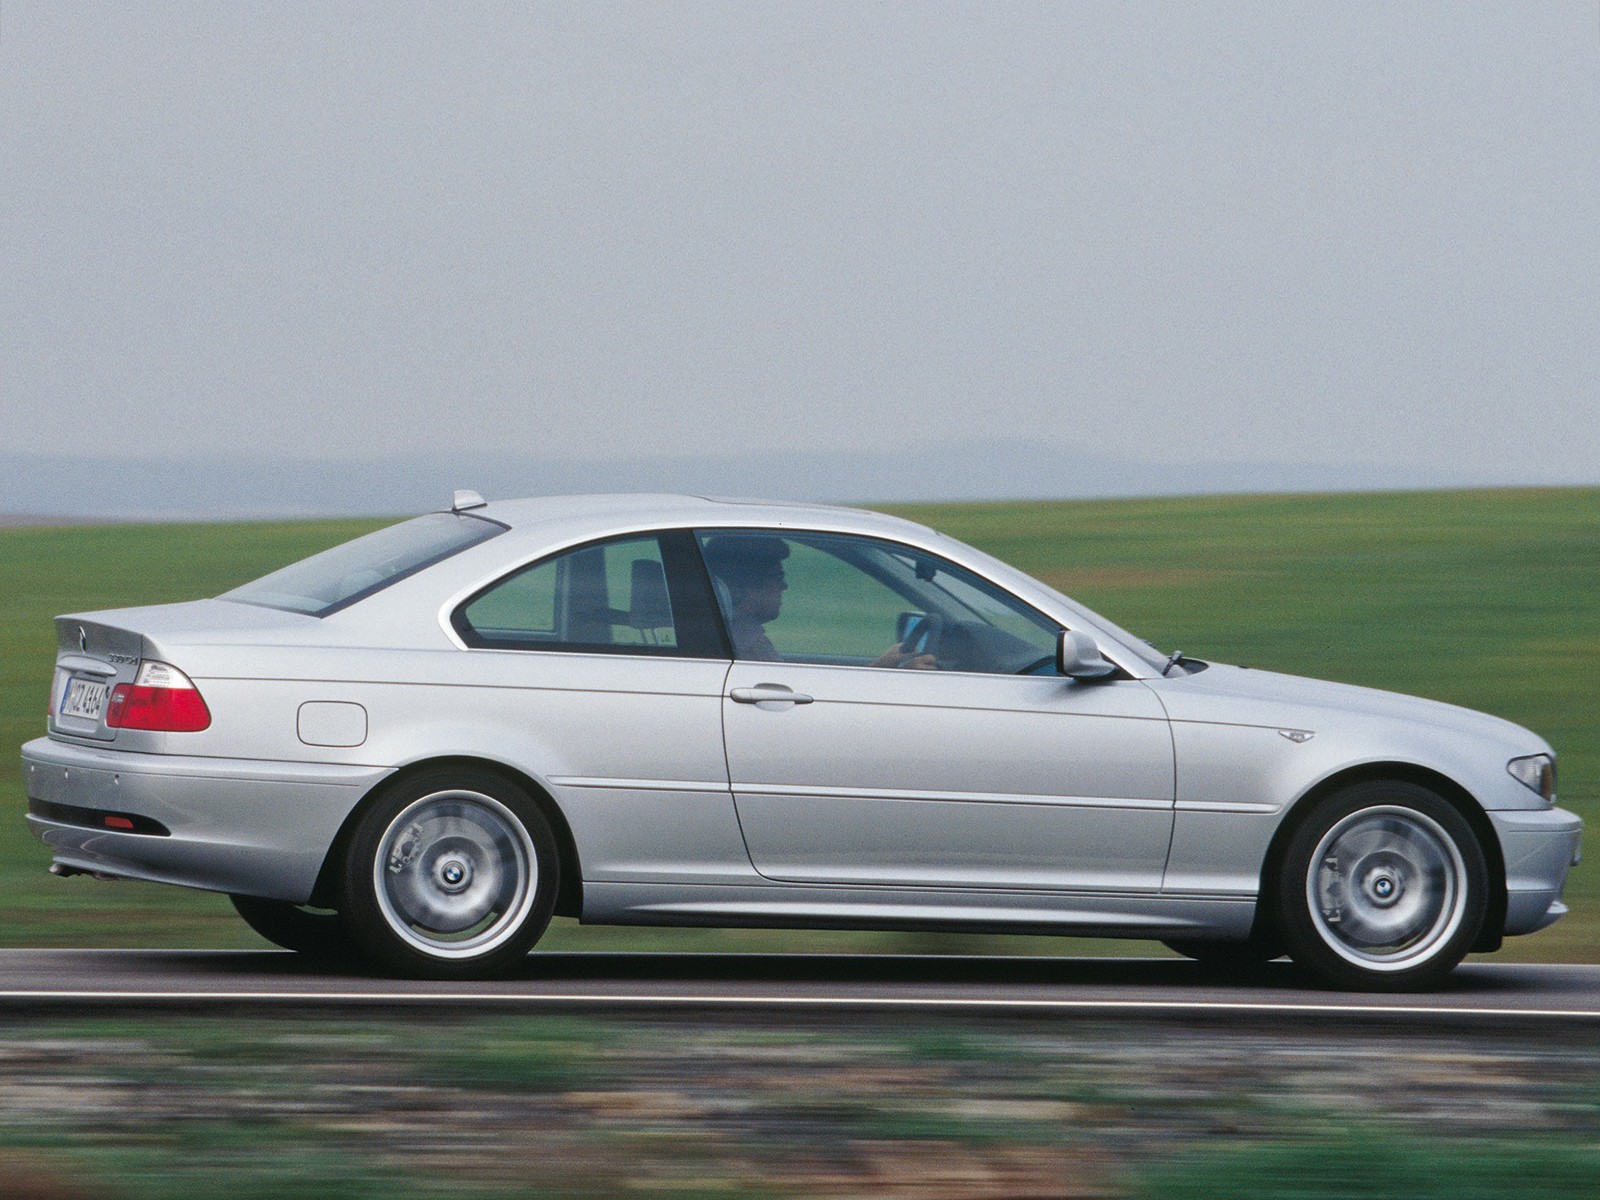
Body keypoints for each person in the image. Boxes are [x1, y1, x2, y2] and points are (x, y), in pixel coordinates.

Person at [701, 535, 936, 668]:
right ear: (748, 586)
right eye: (778, 577)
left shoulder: (733, 634)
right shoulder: (744, 641)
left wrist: (883, 666)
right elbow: (796, 700)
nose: (785, 586)